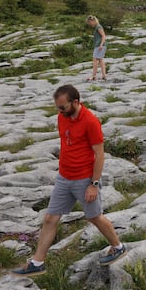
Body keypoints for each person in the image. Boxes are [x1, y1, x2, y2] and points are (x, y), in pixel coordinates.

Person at [12, 84, 126, 276]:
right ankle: (37, 262)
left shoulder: (90, 121)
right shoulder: (61, 117)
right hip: (64, 177)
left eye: (62, 107)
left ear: (75, 102)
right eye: (58, 107)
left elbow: (99, 154)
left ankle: (118, 246)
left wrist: (94, 184)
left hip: (84, 179)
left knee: (93, 216)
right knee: (50, 218)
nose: (60, 111)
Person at [86, 15, 107, 81]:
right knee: (101, 60)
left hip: (99, 46)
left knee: (95, 60)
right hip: (100, 45)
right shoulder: (97, 27)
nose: (90, 24)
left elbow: (103, 36)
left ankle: (93, 76)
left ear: (93, 21)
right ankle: (104, 75)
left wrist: (101, 44)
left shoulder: (98, 27)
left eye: (90, 22)